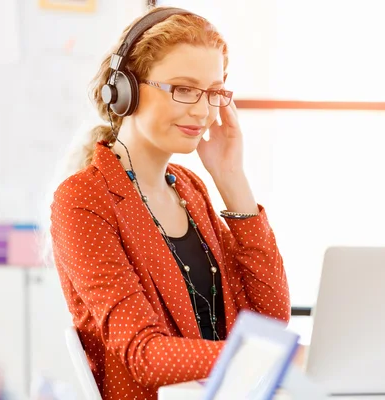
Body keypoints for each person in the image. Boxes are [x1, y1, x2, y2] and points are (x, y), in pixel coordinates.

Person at [49, 6, 290, 399]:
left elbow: (269, 320)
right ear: (125, 89)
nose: (202, 111)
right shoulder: (83, 199)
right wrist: (259, 359)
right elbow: (143, 354)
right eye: (183, 89)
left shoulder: (190, 188)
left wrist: (232, 180)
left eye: (213, 92)